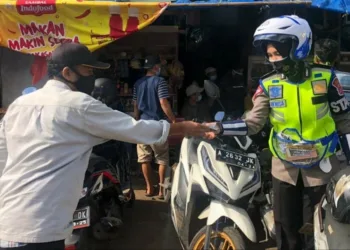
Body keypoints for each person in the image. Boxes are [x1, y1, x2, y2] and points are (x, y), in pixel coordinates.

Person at [0, 43, 212, 250]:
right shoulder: (78, 105)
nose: (90, 76)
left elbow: (2, 157)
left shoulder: (19, 105)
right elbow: (135, 129)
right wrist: (184, 127)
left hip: (7, 220)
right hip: (40, 229)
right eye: (87, 70)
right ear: (67, 72)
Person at [212, 15, 350, 250]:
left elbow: (344, 121)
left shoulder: (326, 78)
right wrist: (219, 128)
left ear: (298, 46)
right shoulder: (268, 84)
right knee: (286, 228)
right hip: (284, 169)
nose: (273, 60)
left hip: (322, 168)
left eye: (277, 53)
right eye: (269, 54)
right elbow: (253, 122)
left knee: (319, 227)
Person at [133, 55, 176, 199]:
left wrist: (136, 119)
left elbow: (135, 105)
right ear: (155, 68)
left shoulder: (138, 83)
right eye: (159, 66)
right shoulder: (160, 81)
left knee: (144, 158)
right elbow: (163, 102)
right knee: (162, 158)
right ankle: (161, 191)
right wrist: (173, 119)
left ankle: (149, 188)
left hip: (143, 125)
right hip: (158, 124)